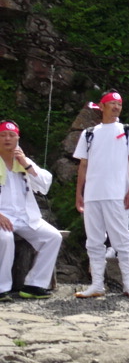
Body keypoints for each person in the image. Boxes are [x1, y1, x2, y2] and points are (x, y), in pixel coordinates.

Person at [73, 90, 129, 298]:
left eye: (119, 104)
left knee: (122, 239)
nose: (115, 107)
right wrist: (79, 193)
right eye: (111, 103)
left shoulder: (128, 131)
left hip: (117, 194)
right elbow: (83, 165)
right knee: (94, 240)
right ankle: (97, 285)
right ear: (101, 106)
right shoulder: (89, 134)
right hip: (93, 195)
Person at [0, 120, 62, 301]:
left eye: (11, 135)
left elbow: (44, 185)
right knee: (5, 238)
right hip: (2, 216)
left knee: (53, 237)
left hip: (25, 216)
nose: (7, 139)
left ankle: (35, 285)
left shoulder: (23, 161)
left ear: (17, 138)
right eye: (3, 135)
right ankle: (2, 288)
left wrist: (26, 163)